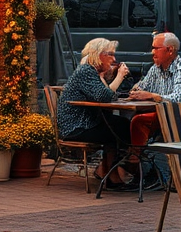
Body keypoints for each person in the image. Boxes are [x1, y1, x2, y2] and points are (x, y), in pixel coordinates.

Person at [57, 37, 133, 188]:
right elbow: (104, 97)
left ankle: (106, 171)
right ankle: (113, 174)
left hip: (86, 123)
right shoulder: (85, 71)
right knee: (120, 128)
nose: (114, 59)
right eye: (110, 54)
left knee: (120, 125)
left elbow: (105, 94)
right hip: (76, 127)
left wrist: (105, 76)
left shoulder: (92, 71)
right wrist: (119, 76)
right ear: (99, 55)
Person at [126, 32, 181, 148]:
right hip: (164, 114)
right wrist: (136, 91)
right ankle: (128, 157)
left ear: (170, 50)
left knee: (138, 121)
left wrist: (151, 96)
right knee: (123, 122)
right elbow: (142, 87)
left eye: (156, 48)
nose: (152, 52)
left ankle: (134, 158)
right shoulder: (155, 68)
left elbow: (178, 99)